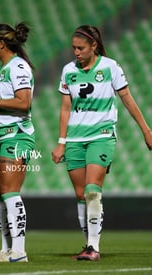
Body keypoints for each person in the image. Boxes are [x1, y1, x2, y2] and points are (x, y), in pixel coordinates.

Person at [51, 25, 152, 261]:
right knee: (79, 195)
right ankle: (88, 244)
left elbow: (127, 99)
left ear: (94, 46)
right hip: (75, 138)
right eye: (74, 48)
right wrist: (61, 143)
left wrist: (146, 130)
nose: (76, 52)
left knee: (91, 191)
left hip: (102, 135)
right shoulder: (68, 71)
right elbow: (65, 109)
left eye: (81, 48)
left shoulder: (110, 67)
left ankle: (93, 248)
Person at [0, 22, 35, 263]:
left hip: (17, 136)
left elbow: (24, 102)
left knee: (11, 192)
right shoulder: (2, 69)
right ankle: (5, 249)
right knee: (1, 195)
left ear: (2, 44)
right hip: (0, 137)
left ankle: (19, 251)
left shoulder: (18, 66)